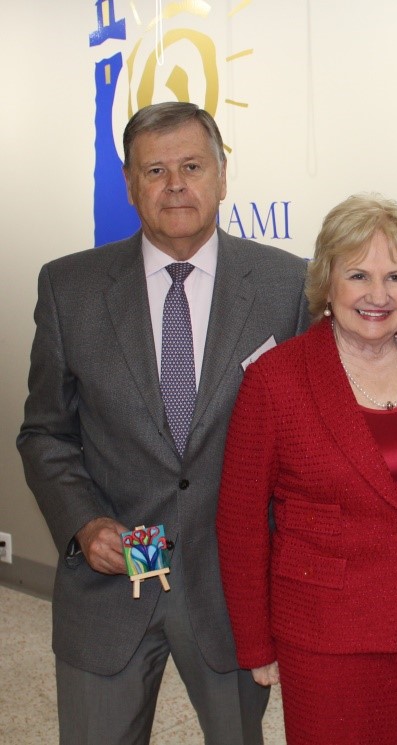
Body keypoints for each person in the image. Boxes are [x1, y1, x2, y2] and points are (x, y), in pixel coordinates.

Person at [17, 102, 309, 744]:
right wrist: (82, 522)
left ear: (223, 175)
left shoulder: (286, 286)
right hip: (108, 586)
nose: (176, 184)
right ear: (129, 183)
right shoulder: (70, 288)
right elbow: (45, 433)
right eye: (155, 169)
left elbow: (303, 443)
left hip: (231, 590)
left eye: (192, 166)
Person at [216, 193, 397, 745]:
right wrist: (256, 645)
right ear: (327, 282)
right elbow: (239, 522)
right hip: (323, 637)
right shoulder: (276, 380)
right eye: (358, 275)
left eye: (395, 277)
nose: (378, 295)